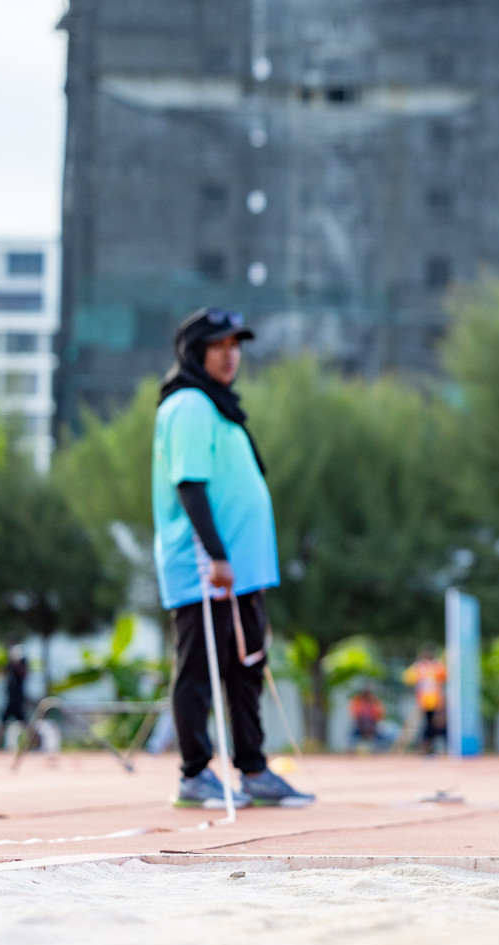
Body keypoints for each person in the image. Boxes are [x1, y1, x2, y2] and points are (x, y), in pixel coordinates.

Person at [152, 308, 312, 808]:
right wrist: (218, 557)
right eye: (219, 346)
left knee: (246, 670)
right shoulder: (189, 405)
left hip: (243, 572)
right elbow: (190, 486)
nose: (230, 355)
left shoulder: (221, 409)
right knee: (198, 671)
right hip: (208, 569)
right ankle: (194, 774)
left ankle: (254, 769)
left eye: (235, 345)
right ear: (195, 353)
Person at [403, 647, 447, 754]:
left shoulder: (436, 666)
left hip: (435, 702)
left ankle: (428, 746)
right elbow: (408, 678)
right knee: (429, 725)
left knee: (433, 725)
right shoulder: (421, 667)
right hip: (425, 702)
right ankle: (426, 746)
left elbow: (444, 678)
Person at [0, 639, 29, 747]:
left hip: (18, 699)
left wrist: (17, 664)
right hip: (11, 698)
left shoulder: (21, 666)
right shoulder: (10, 666)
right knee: (3, 722)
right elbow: (5, 675)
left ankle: (34, 743)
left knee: (24, 723)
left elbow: (25, 675)